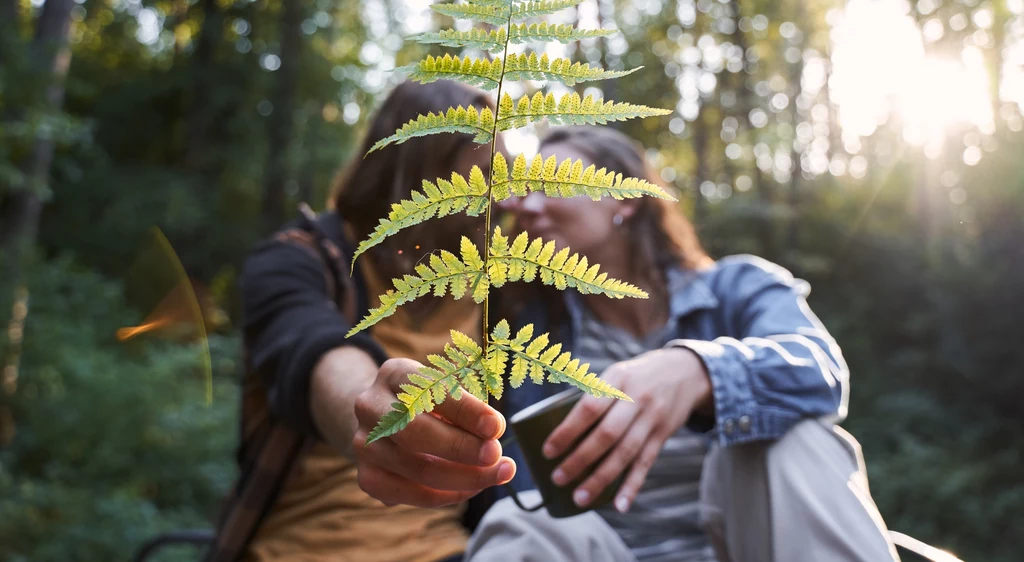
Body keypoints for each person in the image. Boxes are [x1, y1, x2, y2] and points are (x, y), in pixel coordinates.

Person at [465, 125, 901, 562]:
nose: (529, 207)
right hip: (603, 553)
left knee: (796, 439)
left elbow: (821, 371)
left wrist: (702, 369)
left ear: (625, 197)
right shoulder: (522, 326)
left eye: (552, 185)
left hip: (743, 548)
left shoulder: (737, 288)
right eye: (524, 193)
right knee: (522, 526)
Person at [219, 80, 516, 562]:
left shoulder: (493, 290)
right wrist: (370, 407)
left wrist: (687, 361)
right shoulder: (302, 260)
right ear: (422, 170)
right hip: (301, 548)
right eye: (486, 178)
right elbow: (310, 349)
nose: (503, 202)